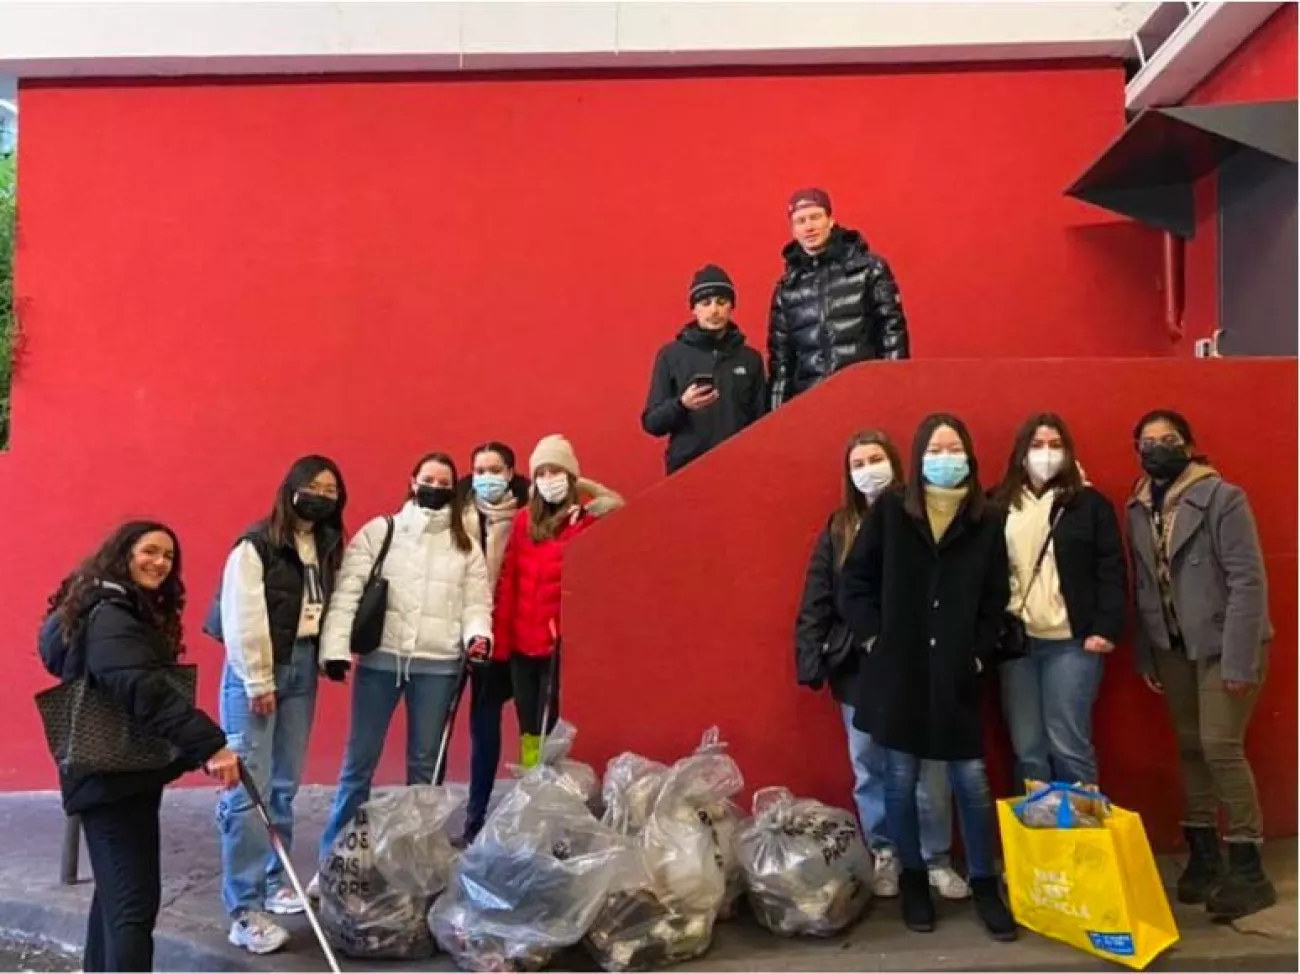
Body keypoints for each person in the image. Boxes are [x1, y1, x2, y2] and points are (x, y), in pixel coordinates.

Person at [839, 413, 1016, 940]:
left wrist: (979, 652)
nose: (945, 457)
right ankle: (913, 879)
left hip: (958, 669)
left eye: (953, 447)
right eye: (935, 449)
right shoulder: (893, 510)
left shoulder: (988, 518)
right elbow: (856, 581)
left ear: (969, 454)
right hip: (901, 671)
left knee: (972, 779)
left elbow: (994, 595)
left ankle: (986, 882)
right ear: (918, 457)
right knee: (900, 777)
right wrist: (875, 637)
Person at [44, 521, 238, 972]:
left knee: (116, 899)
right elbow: (139, 685)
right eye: (149, 551)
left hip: (118, 775)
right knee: (133, 906)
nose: (160, 563)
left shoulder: (108, 606)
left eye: (169, 557)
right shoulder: (112, 614)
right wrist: (209, 745)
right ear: (123, 555)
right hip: (110, 779)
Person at [794, 431, 969, 902]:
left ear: (897, 463)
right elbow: (818, 597)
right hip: (859, 668)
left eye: (877, 459)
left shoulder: (921, 518)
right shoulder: (838, 528)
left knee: (928, 768)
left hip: (920, 665)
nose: (869, 468)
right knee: (869, 767)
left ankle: (934, 858)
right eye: (859, 462)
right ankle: (886, 852)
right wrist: (812, 656)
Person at [1128, 409, 1275, 920]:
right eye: (1147, 441)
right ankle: (1204, 854)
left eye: (1169, 439)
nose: (1157, 448)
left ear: (1189, 443)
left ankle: (1248, 865)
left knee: (1220, 746)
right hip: (1172, 647)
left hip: (1223, 645)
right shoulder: (1137, 505)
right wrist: (1147, 649)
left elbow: (1247, 580)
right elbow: (1145, 583)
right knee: (1190, 746)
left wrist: (1239, 657)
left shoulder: (1223, 498)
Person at [316, 451, 494, 866]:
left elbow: (476, 604)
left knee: (424, 769)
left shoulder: (465, 545)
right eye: (428, 479)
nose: (435, 487)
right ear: (412, 481)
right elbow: (347, 594)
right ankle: (334, 858)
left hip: (438, 666)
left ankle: (418, 861)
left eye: (444, 482)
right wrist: (335, 650)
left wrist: (478, 637)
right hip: (381, 662)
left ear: (453, 489)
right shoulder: (381, 531)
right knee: (358, 763)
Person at [209, 455, 348, 955]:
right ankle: (243, 909)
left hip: (302, 668)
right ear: (290, 488)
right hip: (258, 674)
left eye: (331, 488)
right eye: (313, 484)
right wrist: (257, 677)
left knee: (285, 786)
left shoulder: (328, 544)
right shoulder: (257, 544)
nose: (322, 494)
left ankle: (274, 880)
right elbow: (241, 613)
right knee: (248, 792)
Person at [993, 413, 1126, 789]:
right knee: (1028, 749)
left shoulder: (1089, 503)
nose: (1046, 454)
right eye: (1037, 446)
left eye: (1055, 445)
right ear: (1021, 453)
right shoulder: (997, 503)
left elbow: (1111, 568)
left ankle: (1082, 840)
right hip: (1017, 645)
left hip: (1073, 642)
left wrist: (1105, 627)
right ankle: (1043, 840)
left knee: (1068, 744)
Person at [493, 434, 624, 768]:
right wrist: (503, 641)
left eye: (556, 471)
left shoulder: (585, 520)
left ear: (571, 477)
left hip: (560, 646)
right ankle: (531, 779)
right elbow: (510, 579)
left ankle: (554, 783)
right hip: (524, 644)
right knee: (529, 725)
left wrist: (592, 492)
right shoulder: (524, 520)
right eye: (541, 473)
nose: (548, 480)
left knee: (557, 724)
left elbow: (621, 512)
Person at [767, 187, 909, 410]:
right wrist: (776, 418)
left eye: (815, 217)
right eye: (801, 221)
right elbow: (781, 364)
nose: (809, 227)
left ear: (830, 220)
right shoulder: (787, 290)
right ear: (793, 230)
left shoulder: (869, 270)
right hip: (811, 405)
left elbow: (893, 335)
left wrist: (892, 393)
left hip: (866, 397)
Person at [457, 441, 531, 845]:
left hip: (524, 634)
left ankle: (530, 817)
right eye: (479, 469)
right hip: (481, 636)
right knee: (483, 730)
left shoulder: (533, 510)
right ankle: (475, 815)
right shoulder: (461, 514)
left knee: (531, 731)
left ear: (510, 471)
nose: (487, 477)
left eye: (495, 469)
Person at [641, 264, 766, 474]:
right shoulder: (671, 356)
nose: (714, 310)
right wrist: (682, 404)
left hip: (740, 468)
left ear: (731, 306)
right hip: (687, 469)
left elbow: (762, 422)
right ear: (694, 309)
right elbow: (652, 423)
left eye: (722, 302)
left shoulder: (750, 359)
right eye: (705, 303)